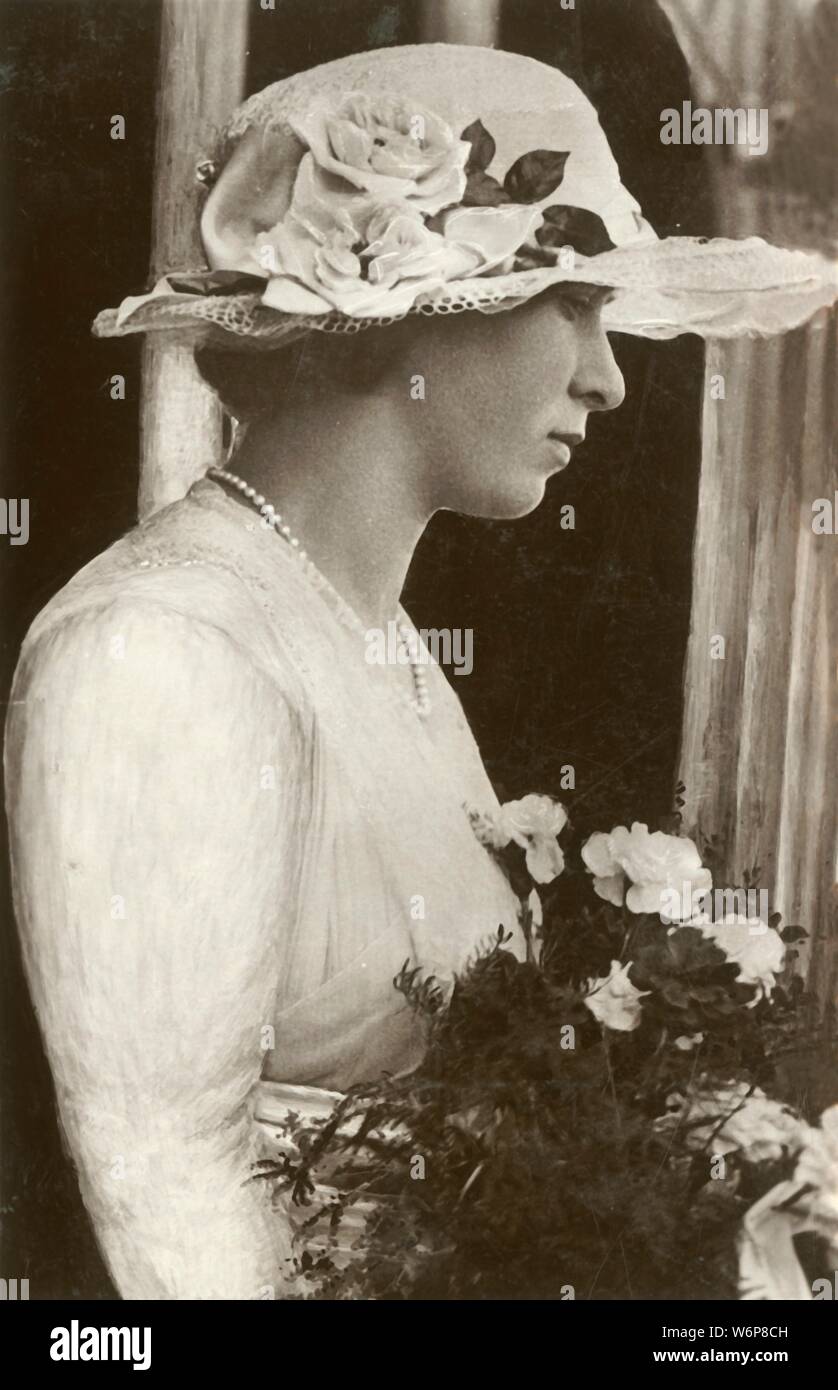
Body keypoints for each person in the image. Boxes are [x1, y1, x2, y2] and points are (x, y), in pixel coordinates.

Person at [5, 43, 835, 1300]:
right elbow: (165, 1200)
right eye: (572, 303)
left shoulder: (375, 641)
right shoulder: (161, 650)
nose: (608, 377)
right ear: (411, 312)